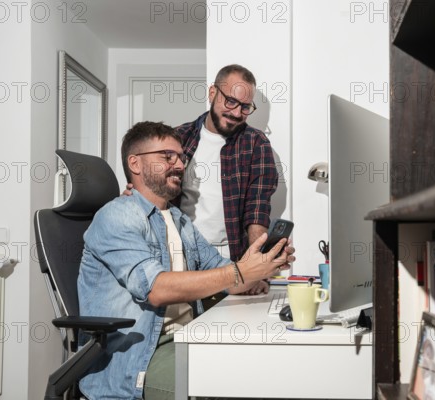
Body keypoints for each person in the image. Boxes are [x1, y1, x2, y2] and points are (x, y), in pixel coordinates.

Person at [78, 121, 294, 400]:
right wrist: (239, 272)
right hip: (142, 357)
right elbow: (156, 289)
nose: (179, 164)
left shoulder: (179, 220)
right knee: (241, 387)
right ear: (135, 164)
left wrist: (262, 266)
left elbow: (225, 279)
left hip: (188, 338)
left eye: (181, 157)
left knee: (269, 370)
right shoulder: (117, 216)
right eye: (167, 156)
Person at [128, 64, 281, 264]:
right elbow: (153, 188)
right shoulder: (178, 138)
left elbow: (257, 210)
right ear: (212, 93)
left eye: (245, 107)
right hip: (179, 250)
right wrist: (134, 198)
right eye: (230, 101)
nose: (236, 113)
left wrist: (255, 265)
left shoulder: (256, 144)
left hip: (230, 255)